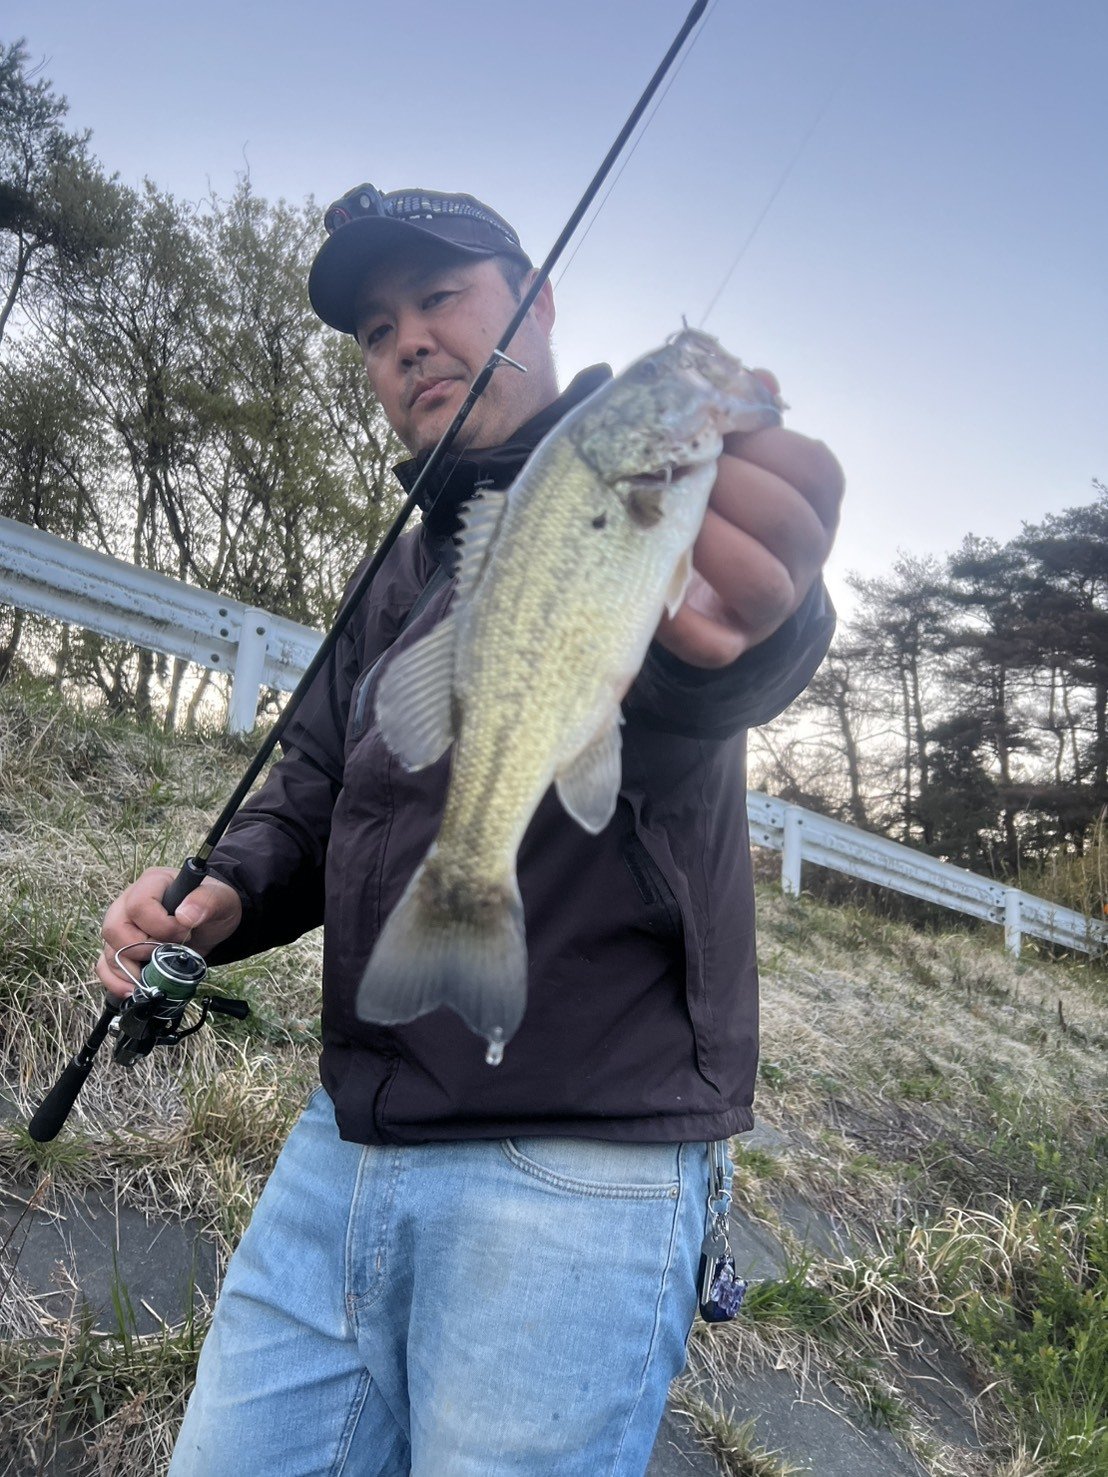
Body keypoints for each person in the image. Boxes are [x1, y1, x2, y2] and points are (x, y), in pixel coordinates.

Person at [98, 183, 844, 1476]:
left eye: (439, 297)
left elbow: (711, 671)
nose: (409, 344)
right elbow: (317, 780)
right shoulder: (397, 571)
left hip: (579, 1158)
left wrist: (763, 623)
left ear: (537, 303)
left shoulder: (650, 477)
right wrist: (225, 892)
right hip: (347, 1136)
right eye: (376, 331)